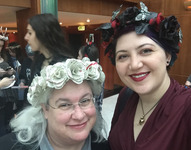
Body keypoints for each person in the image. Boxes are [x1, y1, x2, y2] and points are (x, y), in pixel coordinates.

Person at [98, 2, 191, 150]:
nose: (134, 65)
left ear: (168, 55)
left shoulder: (186, 107)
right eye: (123, 56)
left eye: (146, 50)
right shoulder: (126, 96)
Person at [0, 58, 110, 150]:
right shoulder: (7, 147)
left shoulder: (107, 147)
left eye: (85, 101)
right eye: (64, 105)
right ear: (45, 110)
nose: (79, 115)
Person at [24, 13, 75, 84]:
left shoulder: (64, 64)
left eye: (30, 33)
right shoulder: (38, 61)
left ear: (42, 34)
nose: (26, 37)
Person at [77, 39, 104, 111]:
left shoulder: (82, 75)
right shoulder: (99, 71)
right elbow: (99, 100)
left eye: (79, 56)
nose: (77, 58)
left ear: (85, 59)